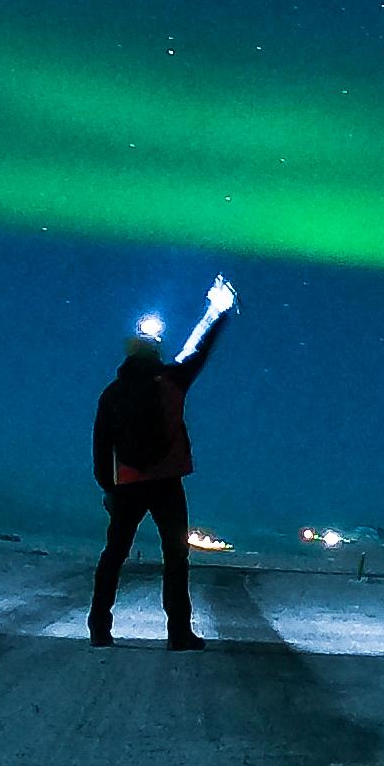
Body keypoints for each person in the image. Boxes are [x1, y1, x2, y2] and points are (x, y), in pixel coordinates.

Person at [91, 277, 234, 648]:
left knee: (114, 556)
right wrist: (216, 311)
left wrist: (109, 489)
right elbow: (197, 349)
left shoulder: (112, 393)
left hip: (128, 484)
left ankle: (99, 628)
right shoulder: (172, 380)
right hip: (167, 482)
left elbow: (100, 448)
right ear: (155, 350)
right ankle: (178, 632)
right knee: (176, 556)